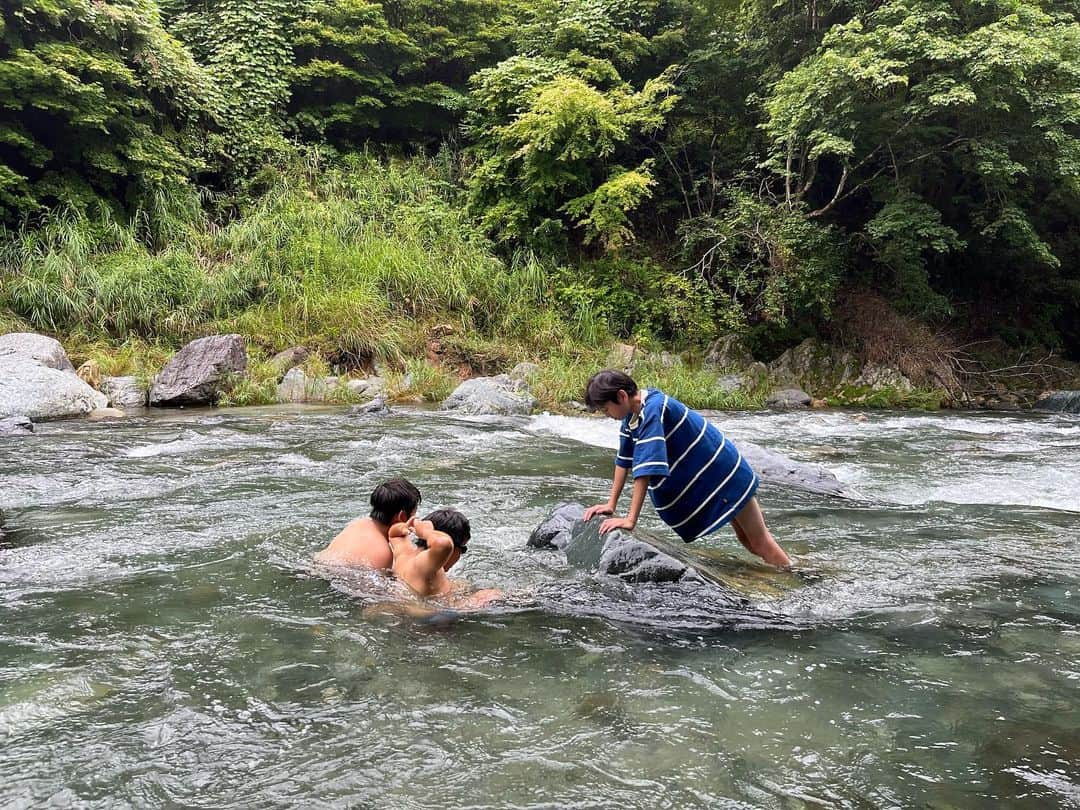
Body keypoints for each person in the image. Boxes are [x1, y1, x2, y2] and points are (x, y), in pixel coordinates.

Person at [582, 369, 792, 568]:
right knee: (746, 539)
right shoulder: (632, 417)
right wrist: (611, 504)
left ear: (621, 396)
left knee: (759, 541)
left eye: (606, 408)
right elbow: (624, 460)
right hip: (716, 477)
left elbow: (645, 469)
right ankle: (785, 569)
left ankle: (794, 576)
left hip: (726, 477)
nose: (606, 414)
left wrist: (630, 520)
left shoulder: (654, 409)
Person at [388, 509, 503, 605]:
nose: (460, 555)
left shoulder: (405, 553)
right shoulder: (423, 564)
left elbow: (393, 533)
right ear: (453, 548)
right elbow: (443, 543)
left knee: (460, 585)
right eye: (463, 549)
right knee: (491, 594)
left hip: (414, 610)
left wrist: (408, 527)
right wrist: (426, 531)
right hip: (428, 623)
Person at [315, 478, 421, 569]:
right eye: (414, 513)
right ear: (401, 516)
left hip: (317, 566)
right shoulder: (383, 552)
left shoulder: (358, 524)